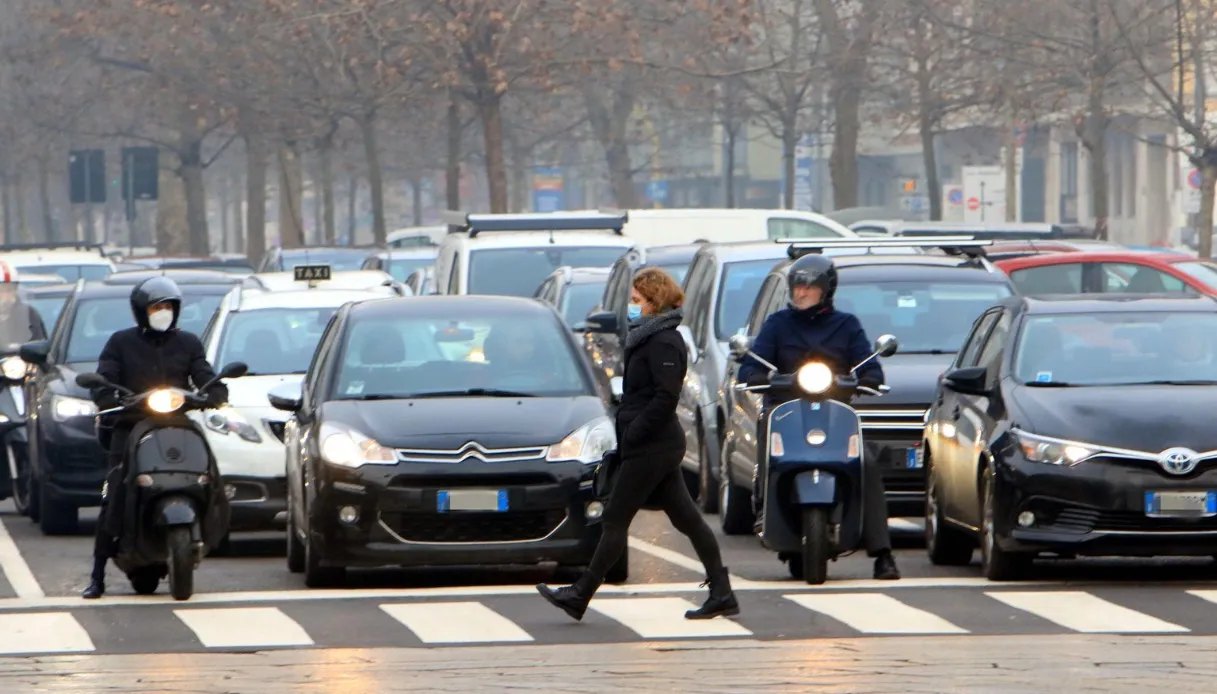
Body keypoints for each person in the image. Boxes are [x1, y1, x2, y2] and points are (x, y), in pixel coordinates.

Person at [536, 268, 738, 621]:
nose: (631, 306)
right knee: (688, 519)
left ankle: (580, 593)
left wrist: (635, 433)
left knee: (615, 517)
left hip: (653, 446)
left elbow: (666, 396)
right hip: (649, 443)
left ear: (653, 302)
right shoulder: (647, 337)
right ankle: (722, 592)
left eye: (636, 301)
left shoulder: (663, 342)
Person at [738, 254, 901, 581]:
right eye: (798, 287)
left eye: (809, 288)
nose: (801, 293)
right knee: (769, 449)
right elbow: (752, 365)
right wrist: (756, 374)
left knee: (865, 464)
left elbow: (869, 365)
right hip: (786, 409)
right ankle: (762, 505)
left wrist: (868, 377)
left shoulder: (846, 325)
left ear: (826, 290)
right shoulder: (777, 324)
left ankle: (882, 553)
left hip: (834, 411)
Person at [81, 277, 228, 599]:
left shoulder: (188, 343)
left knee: (208, 473)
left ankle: (207, 526)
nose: (163, 312)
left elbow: (203, 373)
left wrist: (215, 390)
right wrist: (107, 394)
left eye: (168, 307)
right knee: (114, 492)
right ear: (141, 311)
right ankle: (97, 576)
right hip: (132, 426)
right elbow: (105, 377)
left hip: (175, 424)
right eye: (156, 307)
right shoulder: (121, 342)